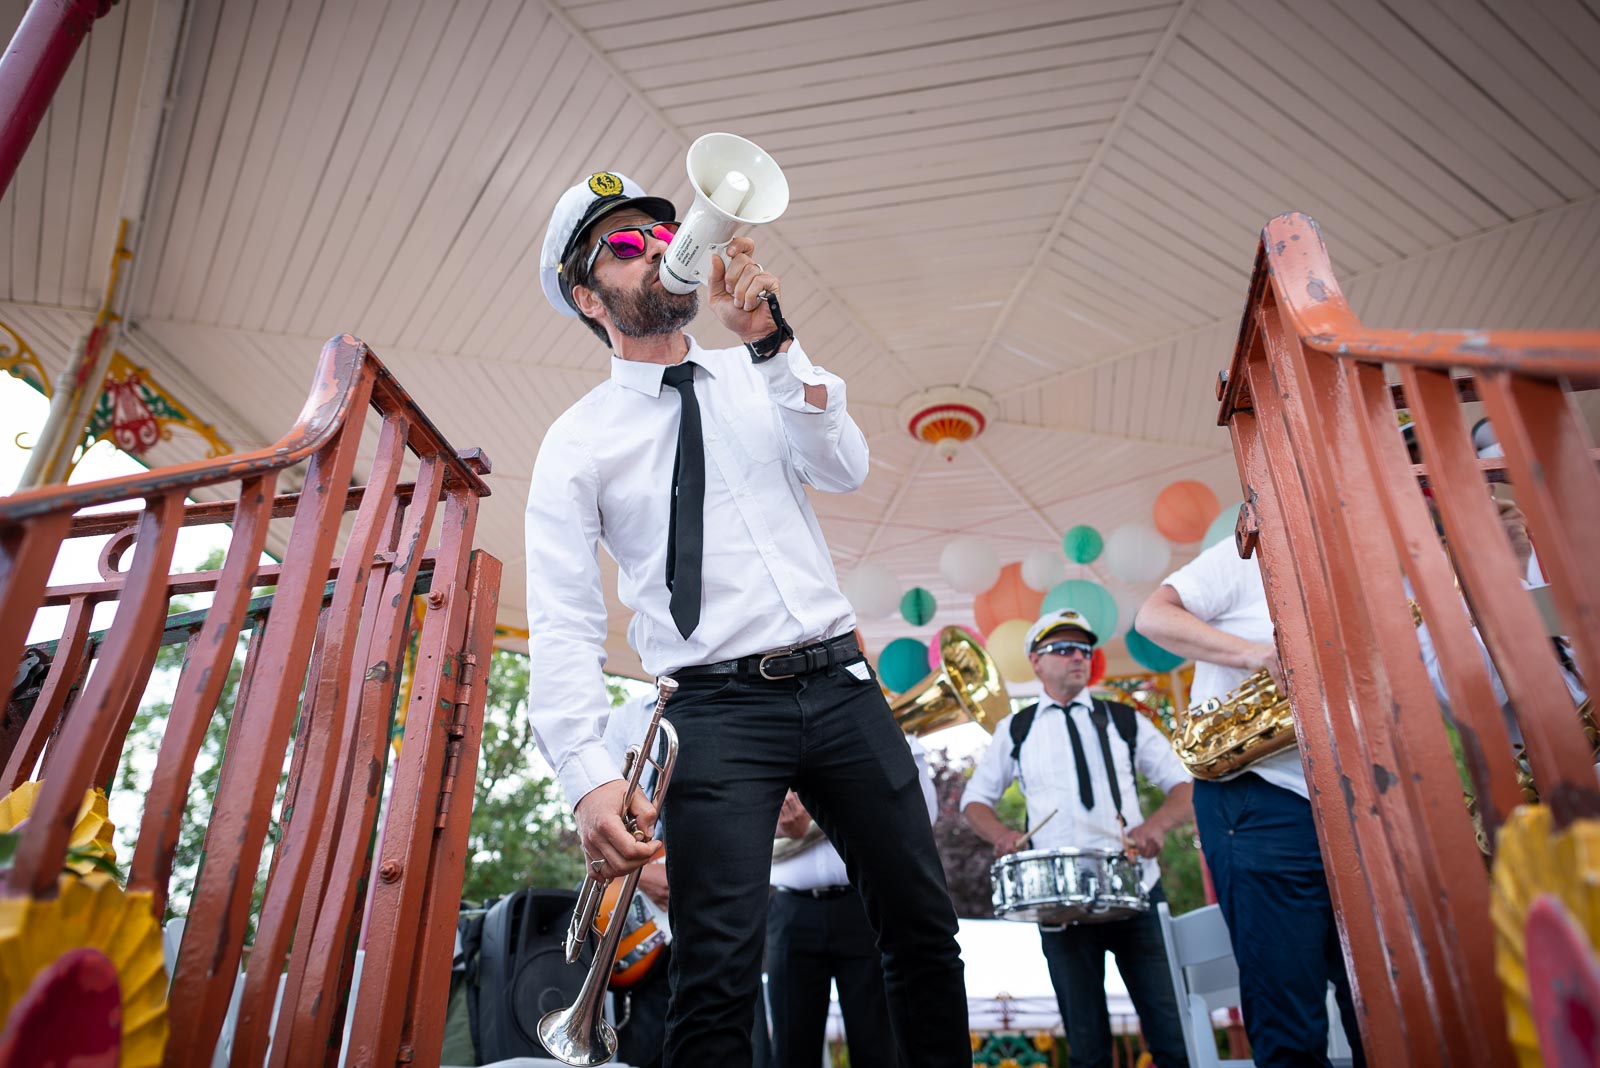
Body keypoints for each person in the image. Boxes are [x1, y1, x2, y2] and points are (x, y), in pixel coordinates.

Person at [525, 171, 968, 1067]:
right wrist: (586, 773)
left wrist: (770, 341)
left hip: (840, 683)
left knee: (924, 934)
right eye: (622, 244)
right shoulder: (576, 440)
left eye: (662, 227)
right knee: (719, 972)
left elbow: (843, 465)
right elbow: (564, 619)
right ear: (585, 296)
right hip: (714, 713)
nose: (656, 245)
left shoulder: (755, 368)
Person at [1136, 540, 1365, 1067]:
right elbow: (1153, 617)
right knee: (1291, 1024)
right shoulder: (1251, 553)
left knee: (1380, 1005)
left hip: (1354, 803)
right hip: (1261, 798)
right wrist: (1257, 654)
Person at [962, 608, 1193, 1068]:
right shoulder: (1017, 729)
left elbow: (1185, 786)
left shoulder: (1124, 720)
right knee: (1087, 1049)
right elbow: (974, 802)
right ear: (1035, 661)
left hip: (1138, 891)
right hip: (1058, 904)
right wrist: (1004, 834)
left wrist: (1157, 826)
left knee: (1171, 1034)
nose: (1077, 657)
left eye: (1084, 650)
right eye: (1063, 649)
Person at [767, 736, 938, 1068]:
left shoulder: (873, 735)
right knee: (790, 1048)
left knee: (877, 1045)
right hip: (791, 912)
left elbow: (923, 816)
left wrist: (906, 744)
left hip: (861, 908)